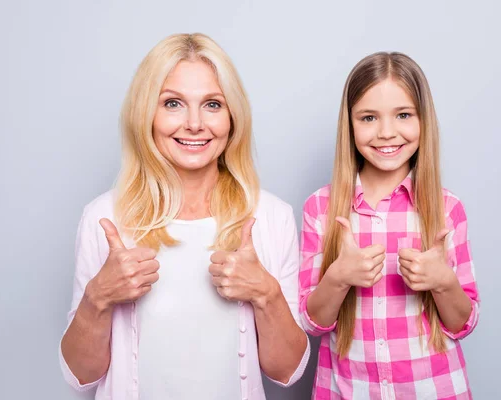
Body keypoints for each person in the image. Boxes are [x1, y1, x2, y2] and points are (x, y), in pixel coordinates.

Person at [59, 33, 310, 400]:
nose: (194, 124)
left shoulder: (271, 217)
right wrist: (98, 297)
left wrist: (266, 294)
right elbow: (80, 375)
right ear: (146, 114)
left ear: (232, 117)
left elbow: (287, 372)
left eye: (212, 104)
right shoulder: (104, 217)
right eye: (173, 103)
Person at [299, 52, 479, 399]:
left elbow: (462, 323)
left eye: (403, 115)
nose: (386, 132)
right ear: (349, 125)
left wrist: (443, 283)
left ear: (423, 120)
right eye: (368, 117)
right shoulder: (321, 207)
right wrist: (338, 277)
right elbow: (312, 321)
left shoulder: (447, 208)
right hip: (348, 390)